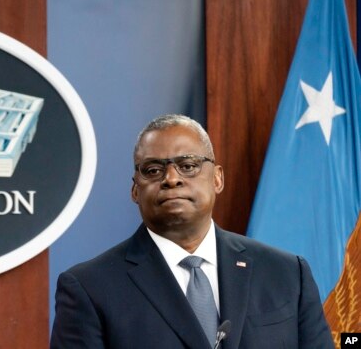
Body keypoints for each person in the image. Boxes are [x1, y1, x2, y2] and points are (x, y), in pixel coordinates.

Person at [50, 114, 333, 349]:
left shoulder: (287, 273)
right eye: (152, 170)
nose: (171, 179)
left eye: (187, 166)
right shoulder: (90, 288)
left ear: (218, 178)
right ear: (135, 190)